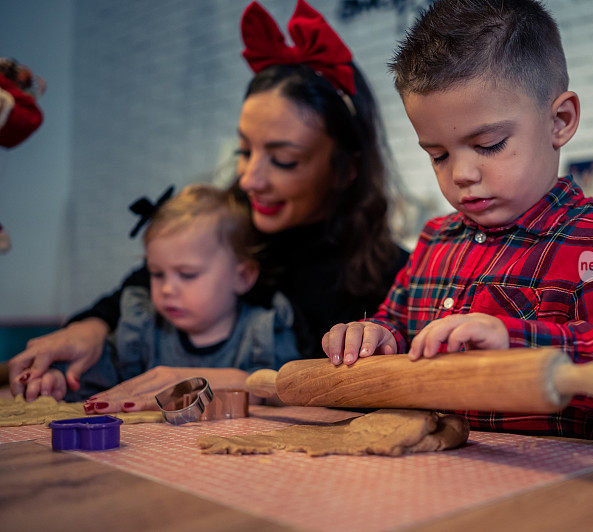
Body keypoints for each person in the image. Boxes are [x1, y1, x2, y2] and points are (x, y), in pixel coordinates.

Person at [322, 0, 593, 442]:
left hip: (549, 491)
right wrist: (374, 335)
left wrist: (522, 344)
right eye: (438, 155)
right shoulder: (436, 240)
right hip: (427, 481)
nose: (461, 174)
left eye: (489, 144)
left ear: (560, 121)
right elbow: (394, 322)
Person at [9, 0, 408, 408]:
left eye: (283, 160)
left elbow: (355, 391)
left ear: (346, 170)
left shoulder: (392, 278)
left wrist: (223, 379)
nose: (250, 179)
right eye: (244, 151)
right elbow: (135, 293)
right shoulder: (224, 229)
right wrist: (90, 329)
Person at [19, 184, 300, 408]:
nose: (167, 289)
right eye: (156, 273)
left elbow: (287, 393)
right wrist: (60, 381)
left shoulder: (262, 333)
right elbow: (97, 377)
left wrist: (251, 387)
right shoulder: (143, 330)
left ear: (243, 277)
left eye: (187, 274)